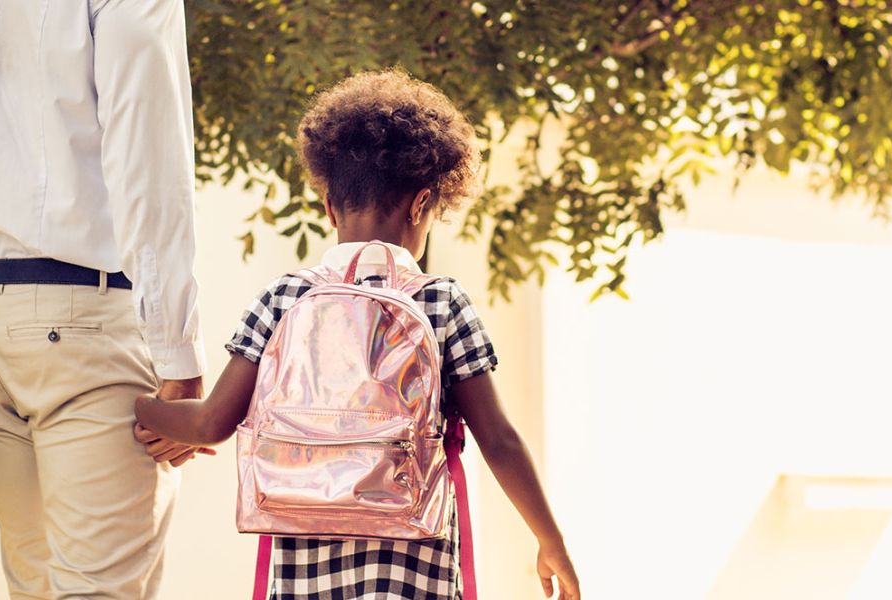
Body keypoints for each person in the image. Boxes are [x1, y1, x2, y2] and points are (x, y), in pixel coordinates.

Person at [132, 70, 581, 600]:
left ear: (327, 208)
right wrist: (550, 540)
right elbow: (499, 440)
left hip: (306, 575)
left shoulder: (285, 297)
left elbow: (209, 423)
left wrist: (131, 406)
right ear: (421, 204)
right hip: (414, 572)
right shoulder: (440, 301)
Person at [0, 1, 211, 598]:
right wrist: (178, 356)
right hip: (81, 325)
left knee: (35, 583)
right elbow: (148, 163)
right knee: (98, 588)